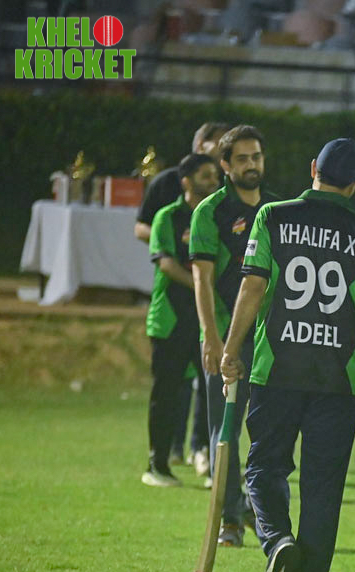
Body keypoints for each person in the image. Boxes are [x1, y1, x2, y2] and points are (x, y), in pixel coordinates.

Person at [220, 138, 355, 572]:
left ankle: (277, 540)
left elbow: (252, 286)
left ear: (313, 166)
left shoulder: (272, 216)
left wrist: (231, 349)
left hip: (277, 367)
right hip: (339, 376)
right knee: (323, 483)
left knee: (264, 465)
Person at [190, 125, 279, 547]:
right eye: (242, 159)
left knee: (270, 431)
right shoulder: (211, 211)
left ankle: (263, 515)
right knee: (224, 429)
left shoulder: (277, 210)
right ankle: (230, 520)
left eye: (256, 156)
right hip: (227, 337)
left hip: (270, 338)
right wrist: (211, 338)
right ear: (225, 165)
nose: (251, 165)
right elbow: (202, 279)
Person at [135, 121, 229, 478]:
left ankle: (206, 457)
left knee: (211, 389)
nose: (214, 181)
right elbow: (166, 263)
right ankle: (158, 463)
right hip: (171, 317)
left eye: (215, 176)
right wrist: (203, 285)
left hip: (207, 318)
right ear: (186, 182)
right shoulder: (167, 216)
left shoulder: (217, 217)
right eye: (206, 176)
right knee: (168, 391)